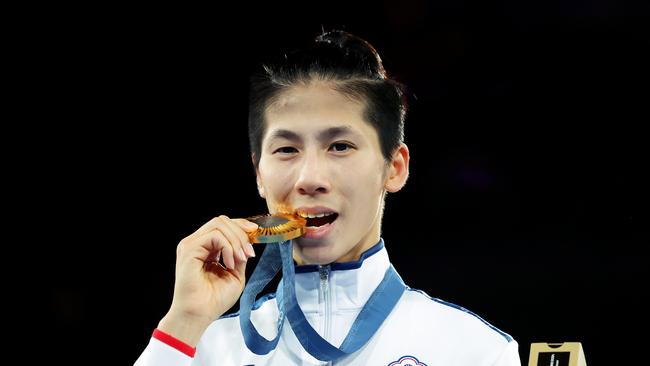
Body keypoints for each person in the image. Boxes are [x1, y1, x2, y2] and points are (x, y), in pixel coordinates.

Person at [135, 30, 521, 366]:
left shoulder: (475, 352)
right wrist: (183, 322)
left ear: (394, 167)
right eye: (286, 150)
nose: (310, 178)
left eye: (339, 146)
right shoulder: (201, 350)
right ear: (259, 174)